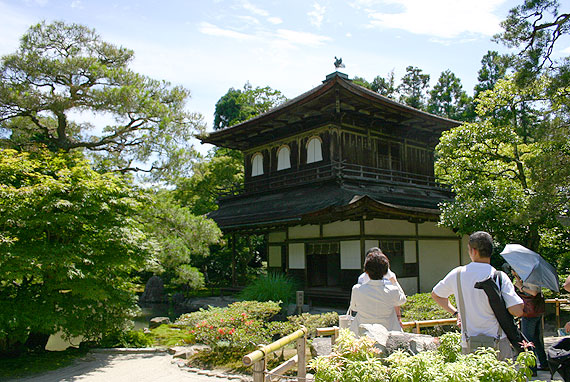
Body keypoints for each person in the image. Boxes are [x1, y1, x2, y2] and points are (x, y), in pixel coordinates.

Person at [431, 231, 524, 360]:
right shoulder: (499, 276)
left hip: (469, 342)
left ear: (473, 251)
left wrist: (456, 313)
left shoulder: (457, 274)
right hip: (498, 341)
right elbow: (517, 311)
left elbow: (436, 295)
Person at [349, 251, 407, 335]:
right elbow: (403, 300)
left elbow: (354, 308)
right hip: (388, 334)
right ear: (385, 271)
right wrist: (394, 281)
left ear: (366, 271)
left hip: (363, 336)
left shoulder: (357, 289)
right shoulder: (392, 290)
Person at [509, 267, 548, 371]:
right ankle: (543, 363)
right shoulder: (532, 275)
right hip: (536, 311)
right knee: (536, 339)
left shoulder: (531, 277)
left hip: (530, 313)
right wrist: (517, 277)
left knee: (527, 340)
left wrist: (521, 287)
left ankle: (532, 368)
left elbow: (533, 292)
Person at [357, 247, 403, 327]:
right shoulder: (362, 278)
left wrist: (398, 317)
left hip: (387, 318)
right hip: (369, 320)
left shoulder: (390, 276)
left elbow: (396, 299)